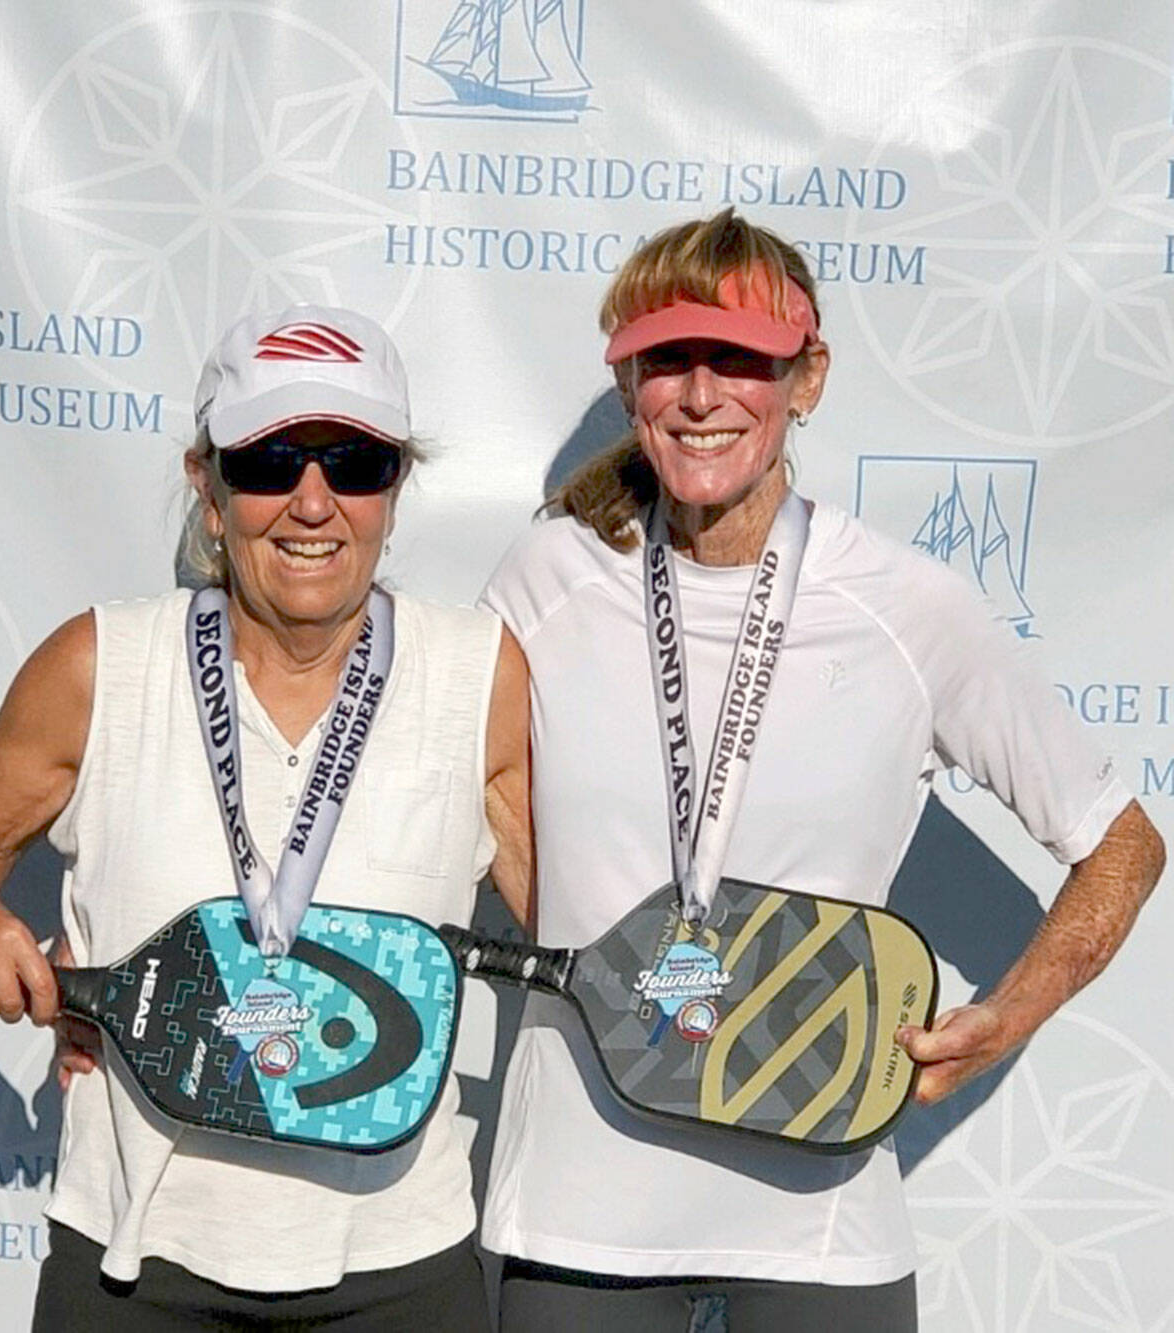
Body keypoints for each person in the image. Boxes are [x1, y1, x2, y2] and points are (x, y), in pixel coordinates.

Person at [479, 210, 1164, 1331]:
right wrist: (589, 948)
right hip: (577, 1214)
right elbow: (474, 777)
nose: (700, 395)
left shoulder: (904, 605)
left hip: (820, 1225)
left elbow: (1120, 844)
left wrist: (1007, 1016)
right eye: (668, 361)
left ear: (807, 378)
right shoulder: (548, 571)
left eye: (740, 360)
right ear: (629, 379)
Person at [0, 303, 530, 1331]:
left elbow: (601, 930)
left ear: (396, 488)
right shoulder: (100, 664)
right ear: (208, 479)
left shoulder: (479, 673)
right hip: (135, 1266)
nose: (313, 502)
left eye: (355, 462)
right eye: (272, 459)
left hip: (401, 1264)